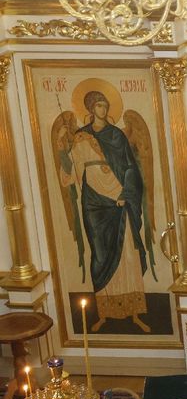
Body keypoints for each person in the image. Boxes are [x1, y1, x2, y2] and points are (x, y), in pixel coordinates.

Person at [59, 91, 151, 332]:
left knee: (128, 253)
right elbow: (69, 176)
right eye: (99, 105)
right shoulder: (81, 137)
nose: (103, 109)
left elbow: (130, 168)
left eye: (105, 105)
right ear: (91, 109)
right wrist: (63, 148)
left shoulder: (117, 135)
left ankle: (134, 313)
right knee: (100, 254)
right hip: (94, 202)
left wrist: (125, 194)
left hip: (118, 198)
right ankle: (104, 314)